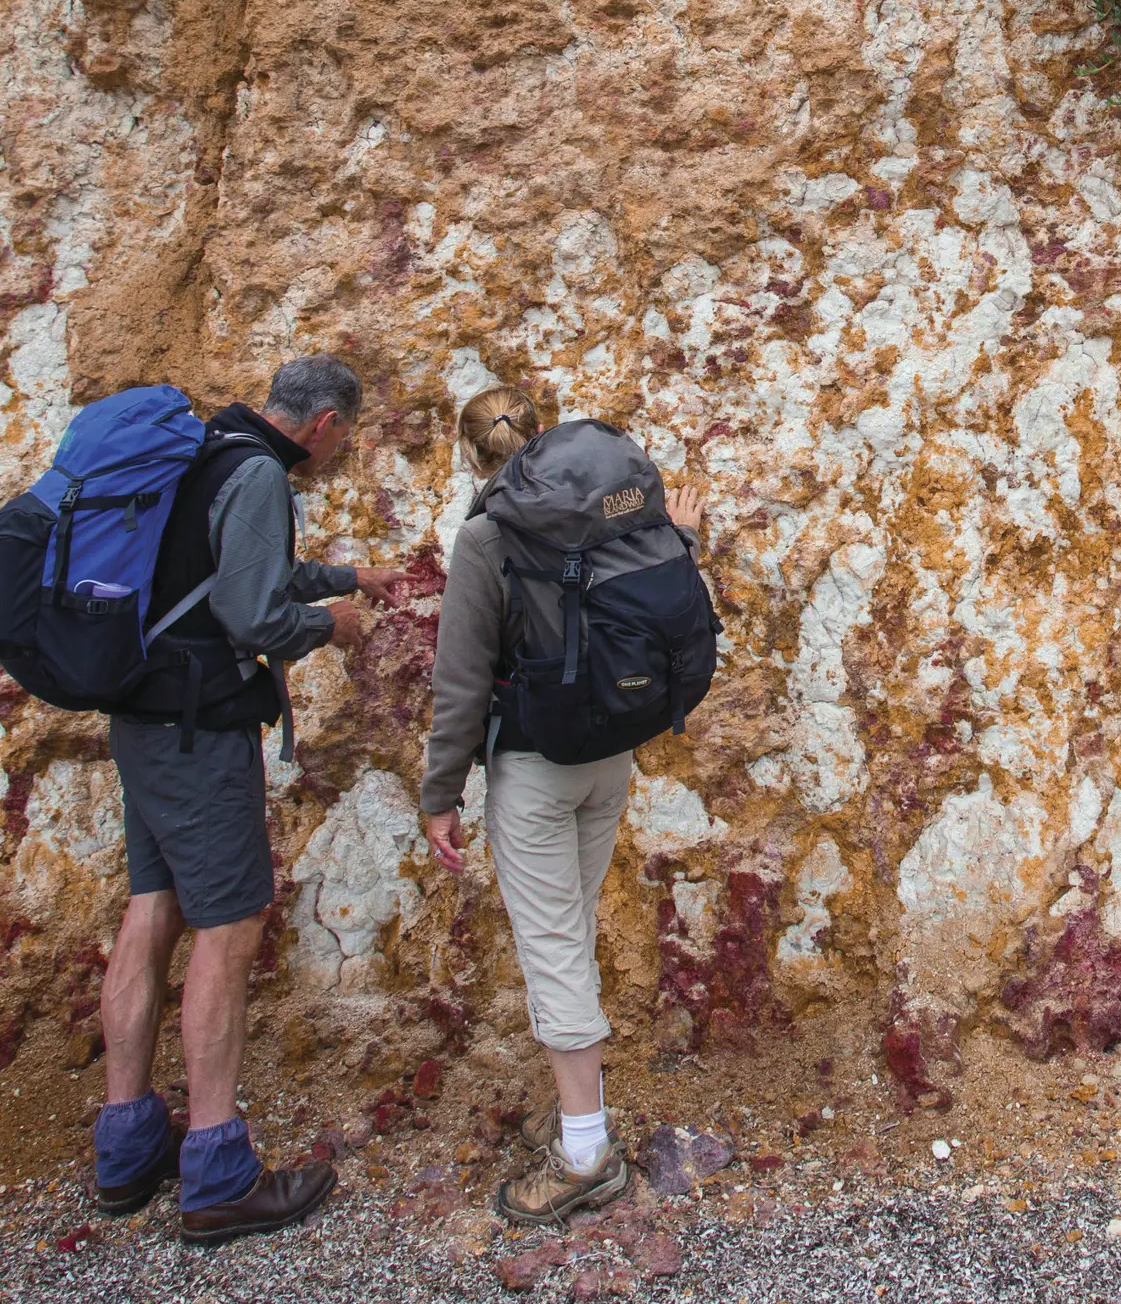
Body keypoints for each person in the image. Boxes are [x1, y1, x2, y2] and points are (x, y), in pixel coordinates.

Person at [90, 355, 420, 1245]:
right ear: (323, 424)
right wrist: (330, 624)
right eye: (344, 434)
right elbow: (251, 613)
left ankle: (125, 1147)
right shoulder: (259, 474)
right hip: (200, 734)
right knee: (228, 928)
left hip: (144, 718)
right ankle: (217, 1166)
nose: (340, 447)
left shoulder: (207, 451)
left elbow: (230, 572)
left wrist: (352, 576)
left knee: (151, 909)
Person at [419, 384, 706, 1228]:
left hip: (535, 769)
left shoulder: (485, 535)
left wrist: (441, 793)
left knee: (551, 948)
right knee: (568, 930)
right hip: (608, 756)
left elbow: (461, 681)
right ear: (542, 441)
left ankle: (585, 1153)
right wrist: (684, 536)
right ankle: (575, 1109)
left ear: (469, 455)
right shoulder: (612, 516)